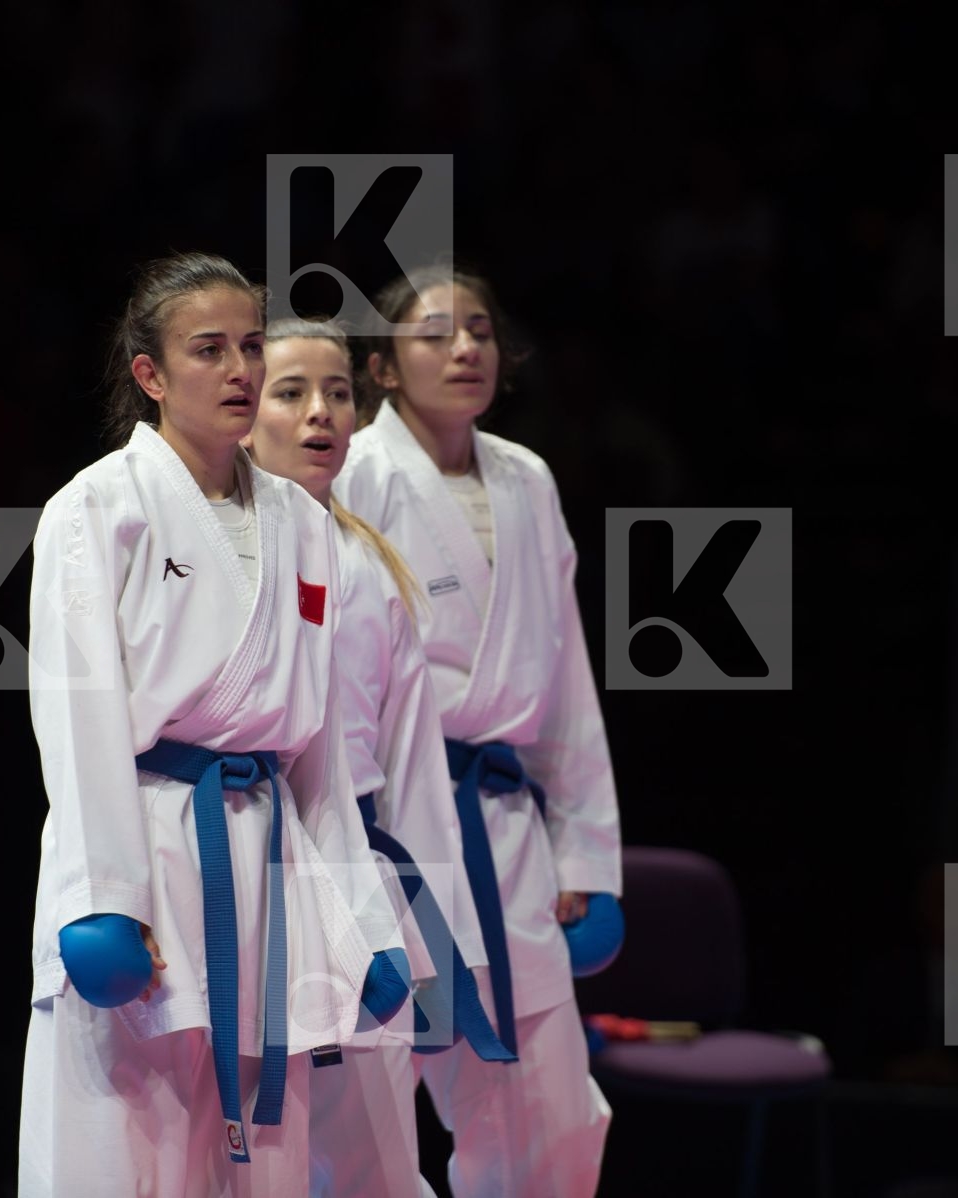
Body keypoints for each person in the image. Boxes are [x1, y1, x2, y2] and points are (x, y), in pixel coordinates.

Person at [17, 254, 409, 1198]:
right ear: (150, 376)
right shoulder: (97, 508)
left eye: (250, 346)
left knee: (263, 1156)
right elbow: (80, 720)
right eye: (209, 350)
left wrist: (364, 915)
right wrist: (101, 899)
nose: (239, 370)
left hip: (267, 854)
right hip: (148, 845)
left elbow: (314, 743)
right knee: (126, 1147)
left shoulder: (301, 522)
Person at [334, 266, 622, 1196]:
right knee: (363, 1121)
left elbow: (566, 675)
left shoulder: (527, 478)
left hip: (502, 827)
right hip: (388, 835)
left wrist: (588, 860)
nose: (466, 350)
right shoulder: (355, 471)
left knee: (549, 1116)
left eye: (482, 331)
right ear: (381, 366)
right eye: (436, 335)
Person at [241, 318, 511, 1198]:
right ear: (244, 411)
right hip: (250, 867)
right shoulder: (218, 550)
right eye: (292, 393)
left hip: (363, 878)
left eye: (339, 393)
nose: (321, 414)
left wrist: (445, 945)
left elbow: (414, 772)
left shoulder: (369, 563)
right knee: (249, 1154)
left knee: (381, 1166)